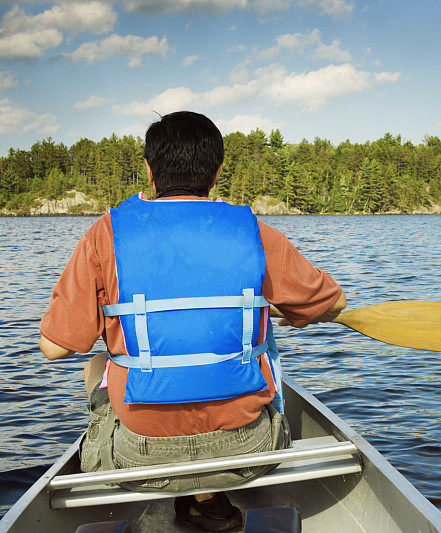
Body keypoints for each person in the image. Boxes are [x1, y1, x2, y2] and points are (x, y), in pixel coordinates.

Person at [39, 111, 347, 532]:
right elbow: (331, 304)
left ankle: (198, 497)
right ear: (217, 172)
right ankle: (207, 499)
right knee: (257, 359)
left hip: (140, 461)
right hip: (249, 452)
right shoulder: (254, 232)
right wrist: (270, 308)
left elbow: (55, 347)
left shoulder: (104, 235)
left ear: (149, 172)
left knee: (97, 366)